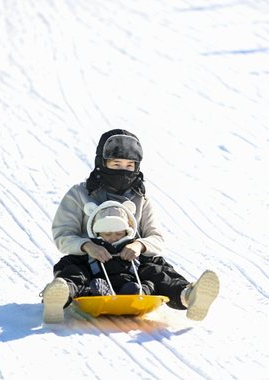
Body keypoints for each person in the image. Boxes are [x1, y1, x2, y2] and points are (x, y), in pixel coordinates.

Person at [41, 129, 220, 324]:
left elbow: (156, 237)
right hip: (91, 260)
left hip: (130, 263)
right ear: (103, 162)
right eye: (116, 164)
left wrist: (139, 246)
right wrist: (86, 246)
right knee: (73, 270)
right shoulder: (79, 194)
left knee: (157, 269)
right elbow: (63, 234)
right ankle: (60, 295)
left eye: (129, 165)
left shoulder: (140, 196)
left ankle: (188, 295)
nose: (123, 170)